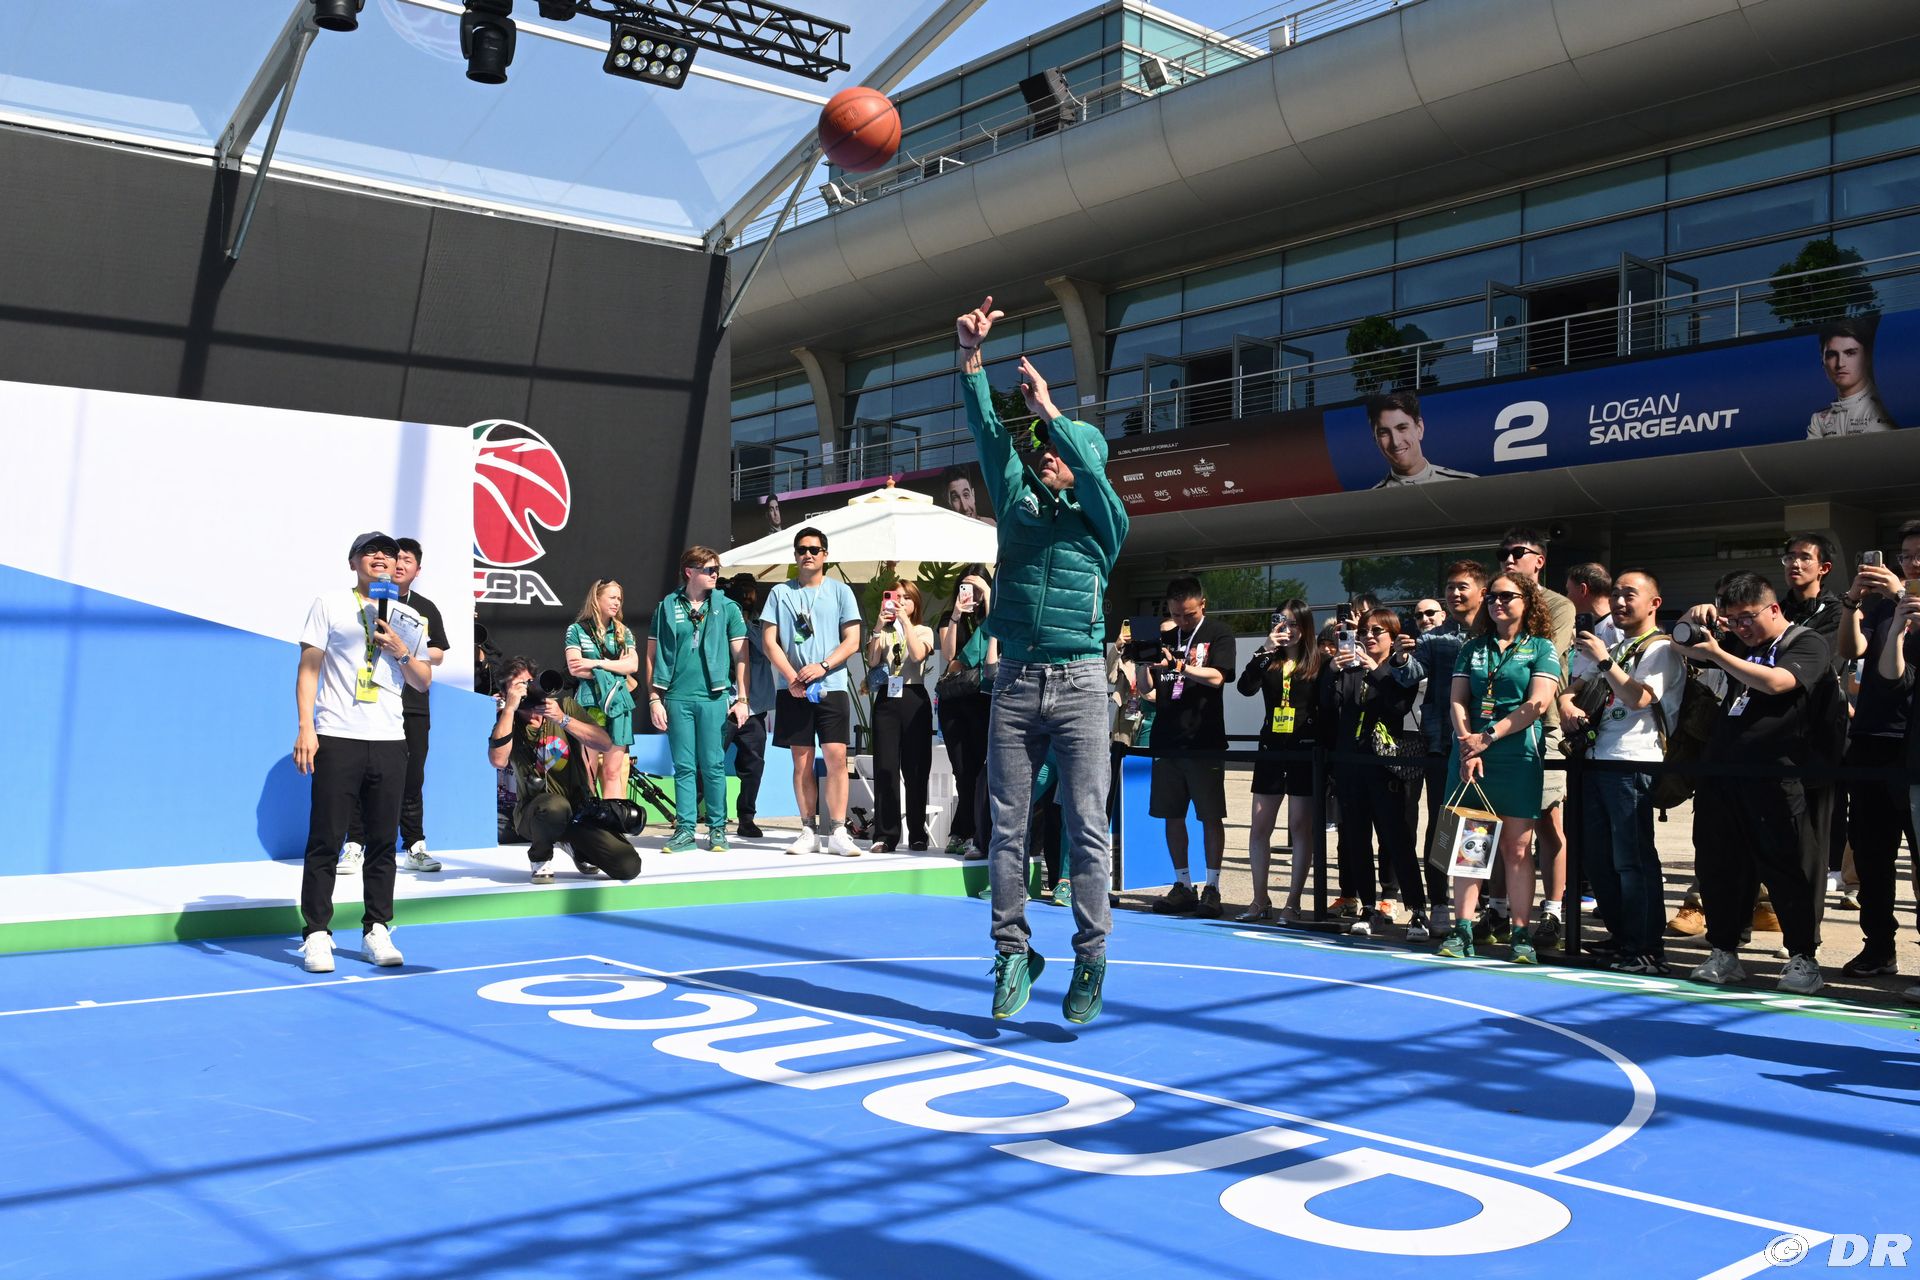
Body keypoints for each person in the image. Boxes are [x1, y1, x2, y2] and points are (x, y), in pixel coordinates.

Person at [958, 294, 1129, 1025]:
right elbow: (986, 432)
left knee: (1087, 824)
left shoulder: (1106, 523)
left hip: (1083, 682)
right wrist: (971, 359)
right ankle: (1011, 951)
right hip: (1017, 679)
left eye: (1062, 447)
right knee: (1007, 826)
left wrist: (1053, 409)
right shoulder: (1017, 502)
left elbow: (1086, 464)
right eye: (1047, 445)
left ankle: (1091, 957)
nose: (1049, 451)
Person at [1680, 572, 1841, 995]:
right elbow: (1681, 645)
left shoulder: (1806, 642)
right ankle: (1723, 950)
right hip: (1722, 774)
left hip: (1776, 775)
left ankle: (1803, 957)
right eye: (1733, 619)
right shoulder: (1736, 643)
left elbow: (1776, 682)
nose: (1741, 627)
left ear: (1774, 608)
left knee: (1788, 868)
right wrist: (1694, 619)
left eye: (1747, 617)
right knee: (1718, 866)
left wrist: (1718, 652)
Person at [293, 531, 432, 973]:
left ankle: (377, 928)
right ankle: (317, 934)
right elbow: (309, 667)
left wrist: (401, 651)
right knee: (326, 840)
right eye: (370, 552)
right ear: (353, 562)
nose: (380, 558)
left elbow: (422, 681)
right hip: (337, 734)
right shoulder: (330, 604)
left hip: (390, 739)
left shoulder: (409, 617)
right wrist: (306, 727)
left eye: (388, 554)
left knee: (383, 843)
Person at [1559, 570, 1685, 974]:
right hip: (1596, 759)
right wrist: (1566, 703)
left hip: (1633, 762)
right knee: (1598, 859)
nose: (1619, 602)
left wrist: (1605, 660)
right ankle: (1622, 937)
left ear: (1654, 603)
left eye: (1630, 594)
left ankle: (1647, 948)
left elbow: (1639, 698)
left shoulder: (1661, 648)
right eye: (1615, 594)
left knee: (1633, 860)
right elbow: (1574, 688)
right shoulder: (1613, 644)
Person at [1434, 571, 1563, 964]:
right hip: (1469, 754)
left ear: (1527, 601)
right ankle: (1462, 929)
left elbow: (1538, 704)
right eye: (1492, 596)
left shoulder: (1540, 647)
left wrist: (1487, 737)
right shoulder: (1473, 647)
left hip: (1516, 754)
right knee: (1470, 845)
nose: (1497, 603)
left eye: (1507, 596)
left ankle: (1521, 933)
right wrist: (1468, 745)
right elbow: (1458, 700)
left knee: (1517, 848)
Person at [1480, 528, 1576, 949]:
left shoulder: (1559, 605)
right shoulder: (1490, 604)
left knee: (1547, 822)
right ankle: (1497, 910)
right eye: (1502, 552)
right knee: (1499, 825)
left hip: (1542, 723)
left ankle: (1552, 912)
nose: (1509, 558)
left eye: (1518, 552)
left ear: (1540, 560)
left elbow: (1543, 655)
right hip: (1491, 727)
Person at [1833, 523, 1920, 978]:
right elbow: (1852, 650)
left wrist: (1903, 593)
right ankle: (1879, 946)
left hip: (1913, 746)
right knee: (1870, 853)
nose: (1912, 563)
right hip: (1871, 740)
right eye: (1905, 555)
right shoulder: (1883, 604)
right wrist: (1852, 602)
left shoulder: (1904, 598)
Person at [342, 536, 448, 875]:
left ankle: (414, 845)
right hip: (368, 698)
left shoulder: (423, 608)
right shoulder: (363, 602)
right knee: (360, 775)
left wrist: (407, 647)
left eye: (407, 560)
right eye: (395, 558)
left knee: (412, 777)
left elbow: (437, 653)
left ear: (417, 569)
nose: (398, 565)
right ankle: (355, 844)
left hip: (412, 702)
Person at [1390, 559, 1487, 929]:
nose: (1454, 593)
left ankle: (1484, 905)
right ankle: (1441, 903)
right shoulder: (1434, 639)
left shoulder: (1499, 635)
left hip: (1492, 743)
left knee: (1479, 824)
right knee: (1443, 824)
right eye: (1450, 587)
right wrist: (1401, 657)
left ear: (1482, 592)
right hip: (1443, 745)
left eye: (1462, 586)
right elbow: (1409, 675)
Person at [487, 657, 642, 883]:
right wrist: (509, 709)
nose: (527, 689)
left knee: (628, 866)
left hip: (579, 810)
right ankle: (540, 858)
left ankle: (576, 847)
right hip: (535, 813)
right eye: (518, 686)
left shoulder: (564, 707)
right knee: (555, 807)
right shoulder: (508, 722)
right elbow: (498, 760)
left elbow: (604, 743)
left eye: (529, 682)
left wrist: (563, 719)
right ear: (506, 693)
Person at [761, 526, 864, 857]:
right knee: (801, 760)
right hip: (793, 689)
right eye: (802, 549)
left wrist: (823, 666)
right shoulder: (780, 593)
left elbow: (853, 640)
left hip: (831, 686)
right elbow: (769, 641)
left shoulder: (840, 592)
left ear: (825, 555)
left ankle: (838, 830)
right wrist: (792, 677)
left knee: (836, 758)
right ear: (795, 555)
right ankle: (807, 829)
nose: (808, 554)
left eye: (814, 549)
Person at [645, 546, 750, 853]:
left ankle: (717, 829)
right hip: (677, 696)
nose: (716, 574)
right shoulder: (666, 606)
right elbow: (651, 656)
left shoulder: (728, 607)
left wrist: (742, 698)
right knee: (684, 766)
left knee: (714, 765)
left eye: (717, 569)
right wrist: (654, 698)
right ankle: (685, 830)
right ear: (690, 572)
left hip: (714, 696)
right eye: (709, 570)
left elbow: (742, 656)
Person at [1329, 606, 1424, 938]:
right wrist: (1333, 670)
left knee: (1397, 839)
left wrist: (1376, 670)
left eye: (1376, 631)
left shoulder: (1400, 670)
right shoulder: (1350, 669)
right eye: (1364, 632)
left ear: (1393, 637)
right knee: (1355, 838)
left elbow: (1398, 706)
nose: (1368, 637)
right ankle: (1368, 907)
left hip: (1387, 766)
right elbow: (1331, 705)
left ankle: (1417, 911)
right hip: (1351, 764)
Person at [1147, 576, 1237, 919]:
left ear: (1202, 605)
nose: (1182, 621)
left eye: (1188, 614)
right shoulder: (1165, 638)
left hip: (1204, 740)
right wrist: (1144, 661)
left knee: (1210, 815)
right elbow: (1147, 686)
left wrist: (1181, 666)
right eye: (1176, 614)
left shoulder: (1219, 633)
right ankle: (1183, 884)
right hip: (1166, 740)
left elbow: (1219, 677)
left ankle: (1212, 886)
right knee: (1172, 815)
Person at [1235, 599, 1324, 923]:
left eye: (1293, 623)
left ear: (1305, 627)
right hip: (1271, 747)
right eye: (1280, 622)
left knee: (1300, 826)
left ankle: (1293, 902)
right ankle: (1260, 900)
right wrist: (1264, 649)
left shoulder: (1319, 661)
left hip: (1303, 749)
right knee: (1260, 826)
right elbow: (1245, 687)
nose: (1287, 629)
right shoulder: (1268, 658)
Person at [1871, 588, 1920, 1003]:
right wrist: (1899, 629)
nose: (1912, 563)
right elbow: (1890, 675)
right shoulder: (1906, 622)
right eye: (1906, 557)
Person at [866, 580, 936, 852]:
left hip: (913, 696)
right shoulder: (884, 631)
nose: (901, 602)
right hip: (887, 698)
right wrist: (877, 627)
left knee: (916, 768)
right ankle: (885, 834)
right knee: (885, 767)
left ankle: (917, 832)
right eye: (897, 597)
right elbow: (872, 661)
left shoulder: (923, 630)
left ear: (915, 602)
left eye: (907, 597)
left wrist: (905, 622)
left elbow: (917, 656)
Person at [938, 567, 998, 858]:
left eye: (977, 587)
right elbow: (950, 657)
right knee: (962, 769)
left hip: (983, 698)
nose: (970, 593)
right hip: (954, 700)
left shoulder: (995, 618)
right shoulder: (951, 617)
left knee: (979, 770)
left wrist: (989, 599)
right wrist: (956, 615)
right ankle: (965, 830)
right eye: (965, 586)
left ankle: (969, 831)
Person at [565, 580, 639, 803]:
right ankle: (590, 819)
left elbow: (633, 665)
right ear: (596, 599)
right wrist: (616, 667)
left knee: (613, 772)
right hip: (589, 704)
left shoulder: (623, 631)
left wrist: (597, 664)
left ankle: (612, 818)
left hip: (618, 704)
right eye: (612, 597)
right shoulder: (577, 630)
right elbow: (575, 668)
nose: (617, 603)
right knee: (588, 772)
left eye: (619, 599)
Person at [723, 573, 774, 839]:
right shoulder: (719, 616)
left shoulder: (763, 622)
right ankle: (695, 815)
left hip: (753, 708)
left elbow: (769, 649)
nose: (746, 595)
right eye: (741, 589)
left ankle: (746, 817)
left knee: (753, 765)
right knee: (707, 761)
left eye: (751, 590)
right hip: (722, 702)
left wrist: (743, 623)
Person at [1807, 318, 1898, 438]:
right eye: (1832, 355)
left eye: (1850, 353)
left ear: (1867, 357)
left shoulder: (1885, 408)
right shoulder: (1819, 419)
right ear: (1823, 361)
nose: (1840, 364)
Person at [1365, 390, 1476, 488]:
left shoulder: (1467, 485)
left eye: (1402, 428)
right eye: (1384, 433)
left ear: (1419, 428)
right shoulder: (1371, 501)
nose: (1396, 442)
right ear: (1376, 439)